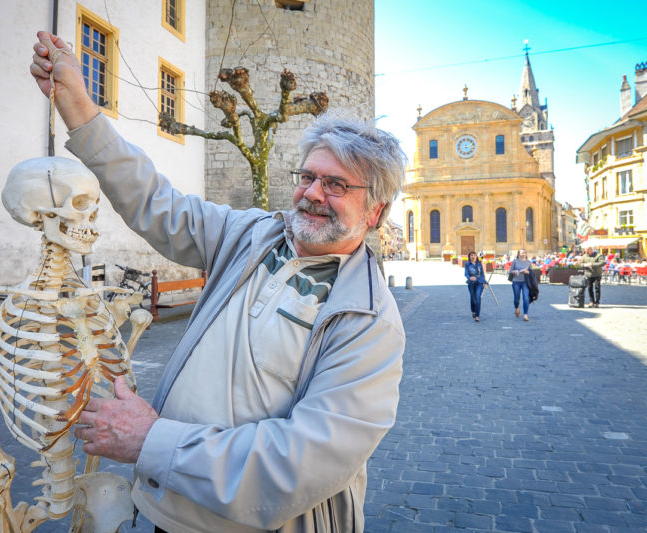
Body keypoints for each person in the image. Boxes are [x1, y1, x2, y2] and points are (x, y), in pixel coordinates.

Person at [30, 32, 406, 533]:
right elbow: (153, 202)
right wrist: (77, 105)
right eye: (308, 176)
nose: (313, 194)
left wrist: (151, 441)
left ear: (375, 210)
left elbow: (302, 461)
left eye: (336, 185)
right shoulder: (249, 235)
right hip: (163, 511)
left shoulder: (370, 321)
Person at [509, 249, 532, 321]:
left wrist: (526, 271)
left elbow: (531, 273)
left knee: (526, 298)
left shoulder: (528, 262)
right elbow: (510, 271)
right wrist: (514, 271)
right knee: (516, 298)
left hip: (525, 282)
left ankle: (525, 315)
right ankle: (517, 308)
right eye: (522, 253)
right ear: (519, 254)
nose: (523, 254)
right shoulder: (515, 261)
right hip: (516, 282)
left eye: (525, 253)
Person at [464, 251, 487, 322]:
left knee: (478, 298)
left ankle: (477, 315)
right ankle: (473, 311)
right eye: (471, 255)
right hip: (471, 283)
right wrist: (469, 277)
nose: (473, 256)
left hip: (479, 283)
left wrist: (484, 282)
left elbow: (482, 274)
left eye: (474, 255)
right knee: (473, 299)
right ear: (469, 257)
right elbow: (466, 273)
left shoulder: (479, 264)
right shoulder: (467, 264)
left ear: (476, 256)